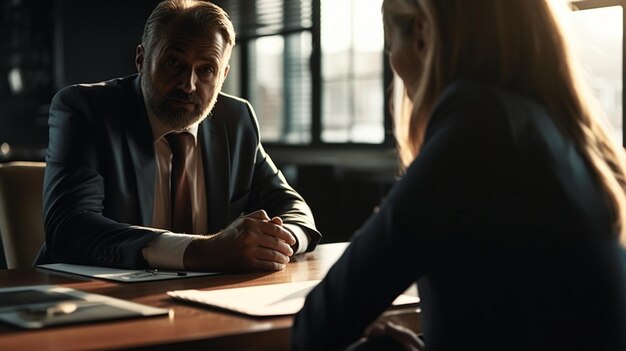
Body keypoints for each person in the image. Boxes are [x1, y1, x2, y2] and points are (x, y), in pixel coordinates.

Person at [292, 0, 626, 350]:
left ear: (421, 34)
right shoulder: (564, 133)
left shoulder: (476, 130)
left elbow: (317, 328)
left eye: (391, 46)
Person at [36, 0, 321, 272]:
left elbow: (293, 208)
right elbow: (69, 229)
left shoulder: (236, 120)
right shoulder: (86, 110)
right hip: (86, 298)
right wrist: (203, 252)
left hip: (201, 299)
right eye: (174, 62)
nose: (188, 84)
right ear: (142, 59)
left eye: (206, 69)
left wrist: (277, 242)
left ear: (223, 75)